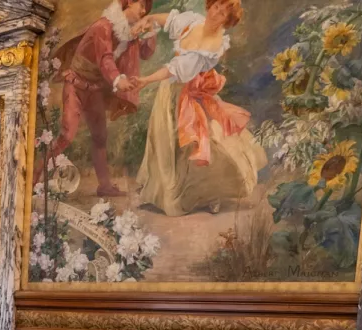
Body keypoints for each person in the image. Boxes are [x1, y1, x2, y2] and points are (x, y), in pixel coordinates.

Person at [133, 0, 264, 218]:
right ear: (210, 5)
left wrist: (146, 80)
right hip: (170, 92)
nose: (216, 13)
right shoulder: (194, 22)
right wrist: (150, 18)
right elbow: (171, 21)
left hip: (190, 96)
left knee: (200, 144)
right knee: (164, 140)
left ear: (227, 21)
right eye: (216, 7)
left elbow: (177, 70)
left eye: (223, 13)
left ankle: (211, 193)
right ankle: (160, 190)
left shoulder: (213, 45)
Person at [43, 0, 156, 197]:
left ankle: (104, 186)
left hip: (94, 90)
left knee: (100, 137)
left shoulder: (128, 34)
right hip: (76, 86)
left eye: (146, 8)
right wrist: (118, 79)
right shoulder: (103, 26)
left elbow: (146, 53)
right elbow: (105, 59)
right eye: (141, 5)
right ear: (129, 2)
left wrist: (151, 31)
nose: (144, 10)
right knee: (67, 136)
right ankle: (36, 177)